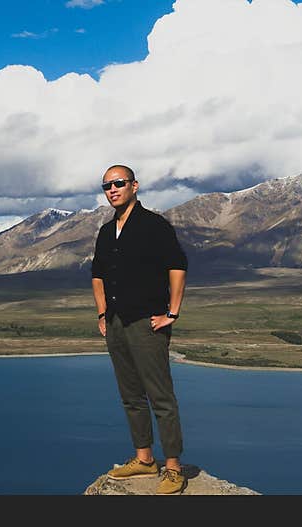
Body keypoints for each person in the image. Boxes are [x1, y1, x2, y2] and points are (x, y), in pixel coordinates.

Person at [90, 164, 189, 495]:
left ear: (135, 186)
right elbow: (98, 274)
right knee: (130, 395)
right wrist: (103, 314)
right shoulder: (106, 231)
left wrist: (172, 313)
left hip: (147, 322)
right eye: (107, 185)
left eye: (118, 183)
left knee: (160, 396)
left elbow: (177, 267)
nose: (112, 189)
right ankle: (144, 458)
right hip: (116, 322)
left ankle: (173, 467)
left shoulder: (154, 226)